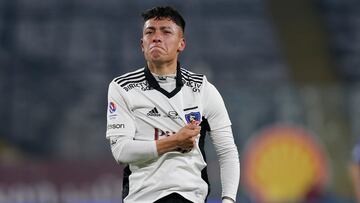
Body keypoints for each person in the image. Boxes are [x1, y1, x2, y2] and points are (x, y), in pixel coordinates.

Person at [106, 6, 240, 203]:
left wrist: (228, 200)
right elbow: (121, 151)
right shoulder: (123, 87)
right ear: (142, 44)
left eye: (166, 31)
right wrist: (175, 141)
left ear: (181, 44)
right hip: (143, 197)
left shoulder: (202, 88)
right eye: (149, 32)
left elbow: (227, 151)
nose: (156, 37)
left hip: (190, 196)